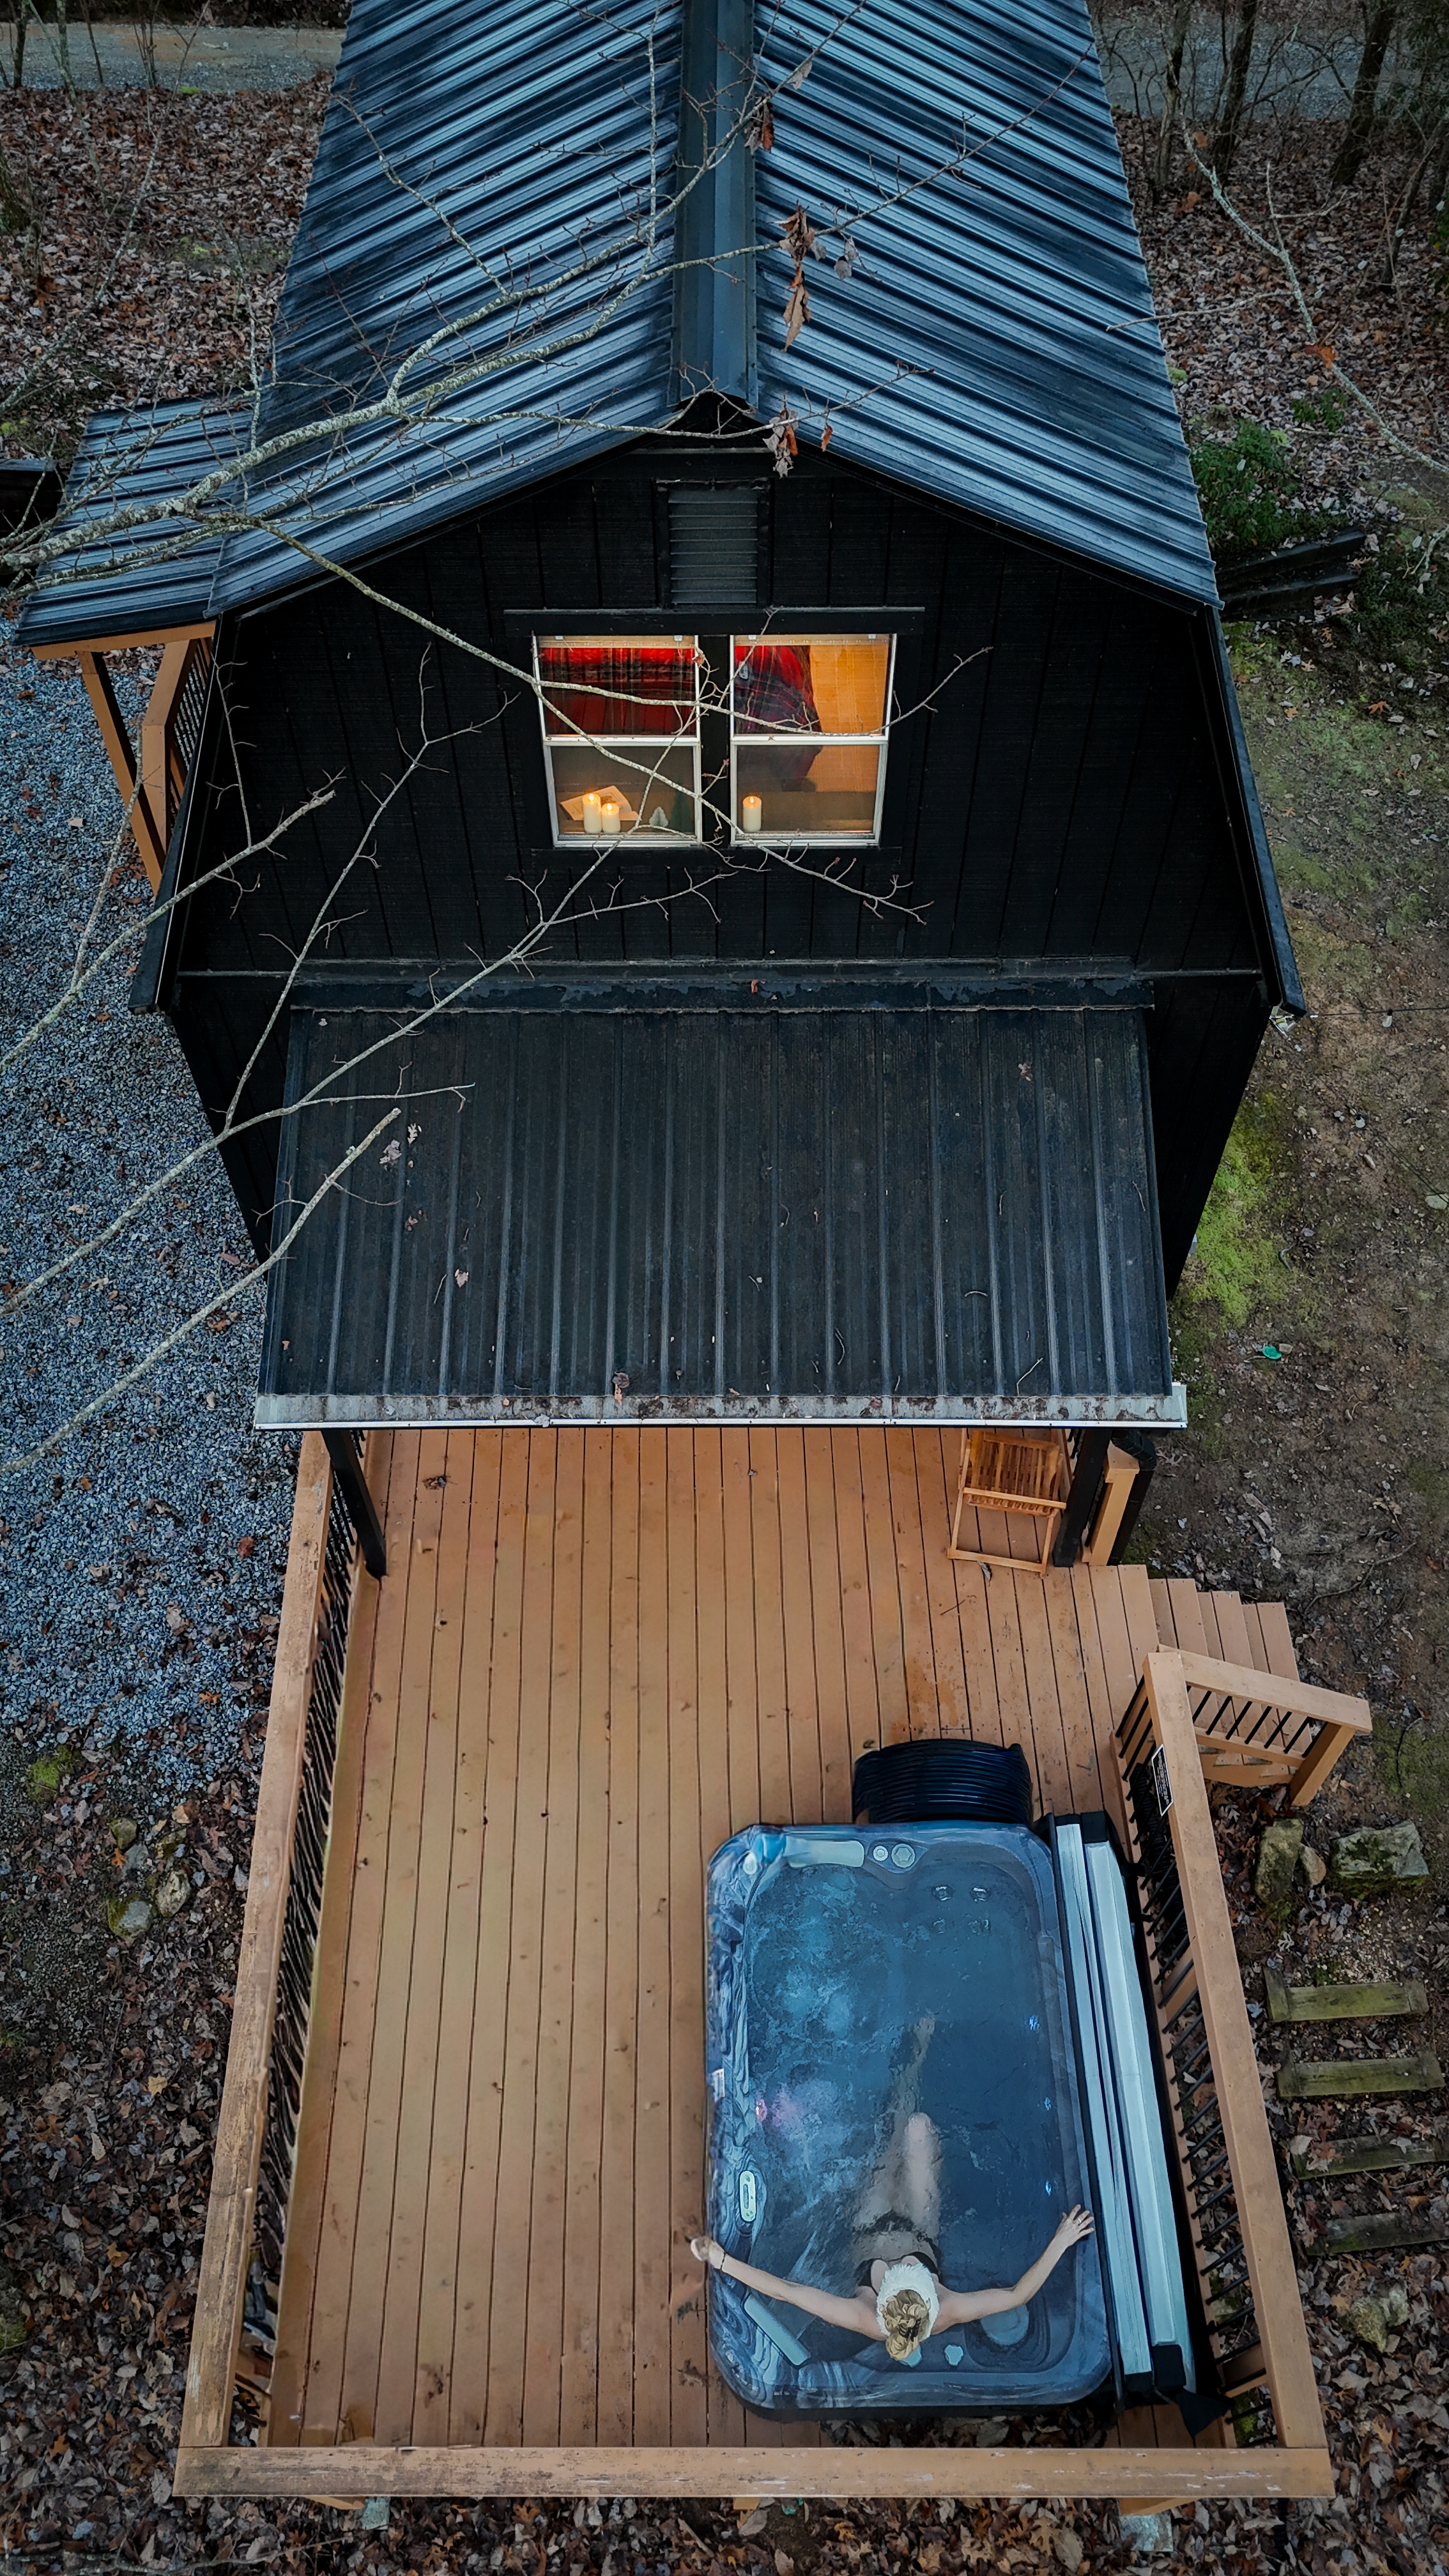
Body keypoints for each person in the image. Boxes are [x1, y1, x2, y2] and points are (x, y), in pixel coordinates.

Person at [689, 2018, 1093, 2366]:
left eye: (904, 2270)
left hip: (868, 2225)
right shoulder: (947, 2309)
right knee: (919, 2126)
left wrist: (721, 2259)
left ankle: (909, 2064)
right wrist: (1062, 2240)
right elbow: (1015, 2294)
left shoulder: (865, 2317)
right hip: (920, 2225)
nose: (905, 2263)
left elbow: (788, 2291)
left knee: (894, 2134)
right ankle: (917, 2055)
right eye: (915, 2271)